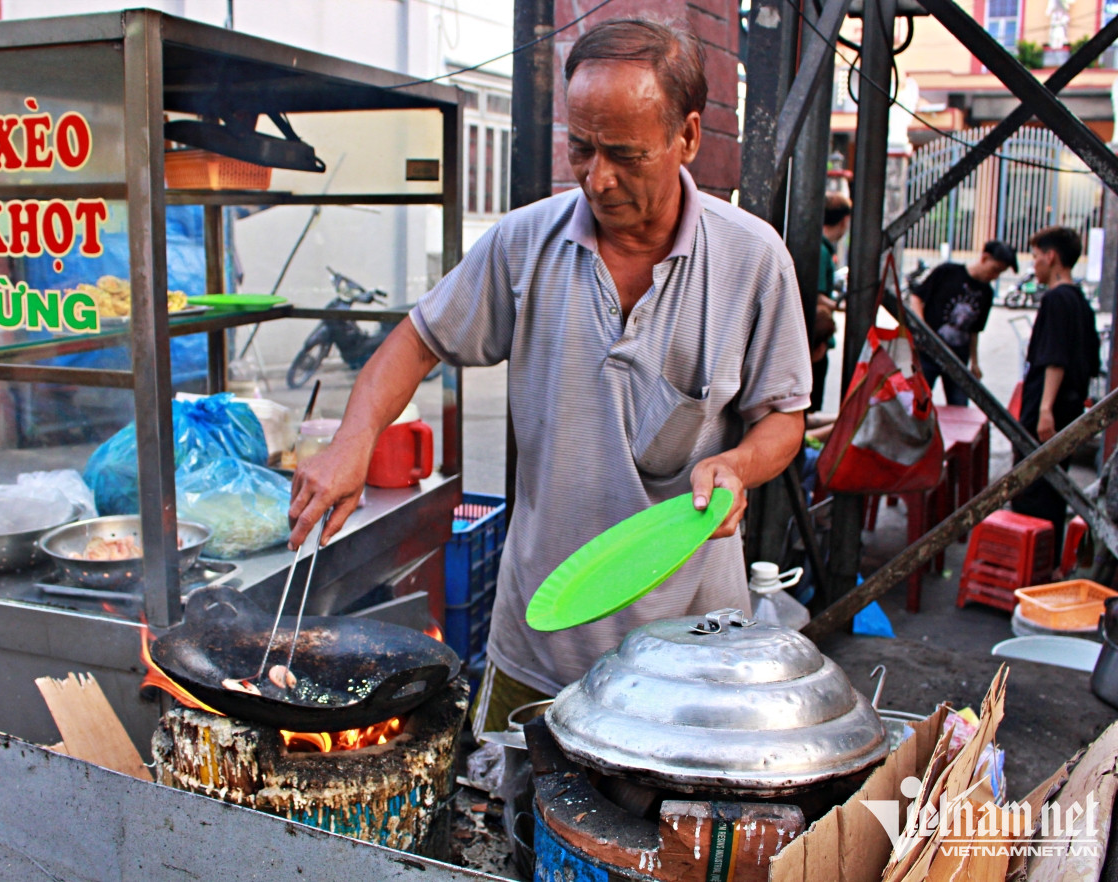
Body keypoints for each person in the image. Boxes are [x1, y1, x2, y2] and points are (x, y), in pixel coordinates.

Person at [287, 18, 811, 732]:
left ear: (687, 137)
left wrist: (740, 464)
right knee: (515, 820)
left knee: (665, 831)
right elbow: (416, 340)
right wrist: (353, 438)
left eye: (625, 154)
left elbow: (782, 417)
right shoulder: (522, 244)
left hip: (691, 652)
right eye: (581, 148)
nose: (597, 178)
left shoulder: (753, 260)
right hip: (541, 638)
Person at [1011, 226, 1100, 559]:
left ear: (1051, 257)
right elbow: (1090, 361)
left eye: (1035, 257)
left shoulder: (1056, 299)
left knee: (1033, 487)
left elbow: (1055, 359)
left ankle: (1034, 562)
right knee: (1052, 486)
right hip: (1070, 408)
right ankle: (1044, 561)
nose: (1033, 265)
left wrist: (1046, 408)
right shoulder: (1080, 301)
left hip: (1047, 409)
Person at [908, 240, 1017, 406]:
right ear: (985, 258)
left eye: (999, 273)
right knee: (918, 402)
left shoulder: (986, 293)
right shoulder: (947, 272)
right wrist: (923, 330)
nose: (994, 276)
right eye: (995, 270)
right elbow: (917, 297)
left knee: (959, 405)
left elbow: (975, 330)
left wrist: (975, 362)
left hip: (958, 358)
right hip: (928, 353)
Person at [811, 194, 851, 412]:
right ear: (844, 220)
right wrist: (840, 306)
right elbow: (815, 296)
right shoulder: (821, 250)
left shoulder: (822, 247)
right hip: (815, 338)